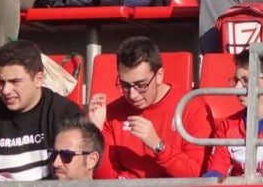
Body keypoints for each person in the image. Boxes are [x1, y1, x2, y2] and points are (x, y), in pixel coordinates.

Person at [86, 36, 210, 179]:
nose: (133, 94)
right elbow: (105, 181)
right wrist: (96, 134)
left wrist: (158, 146)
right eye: (125, 85)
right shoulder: (109, 115)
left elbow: (197, 175)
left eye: (141, 85)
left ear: (159, 76)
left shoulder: (192, 108)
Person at [0, 39, 82, 180]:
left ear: (38, 79)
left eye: (15, 82)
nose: (6, 90)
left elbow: (75, 174)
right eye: (2, 82)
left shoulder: (64, 112)